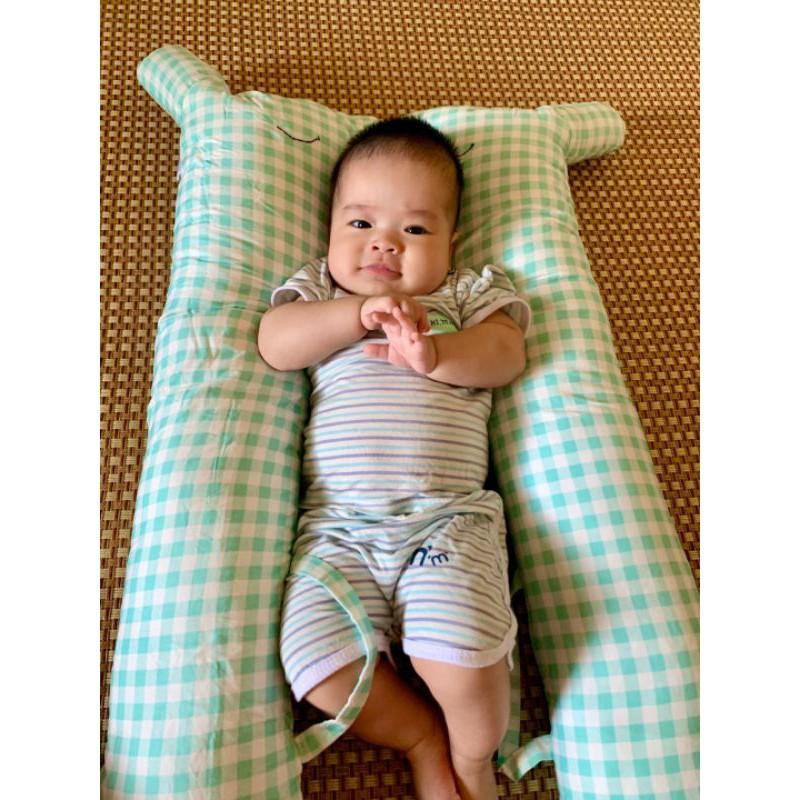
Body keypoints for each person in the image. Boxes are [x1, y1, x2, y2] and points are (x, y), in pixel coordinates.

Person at [258, 116, 531, 800]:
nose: (384, 242)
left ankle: (471, 759)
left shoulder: (463, 293)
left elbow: (506, 353)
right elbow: (275, 342)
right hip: (337, 530)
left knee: (464, 656)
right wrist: (355, 315)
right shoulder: (324, 293)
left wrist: (435, 354)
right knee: (316, 662)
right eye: (360, 224)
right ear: (329, 230)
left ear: (451, 242)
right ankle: (419, 738)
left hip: (445, 522)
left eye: (413, 228)